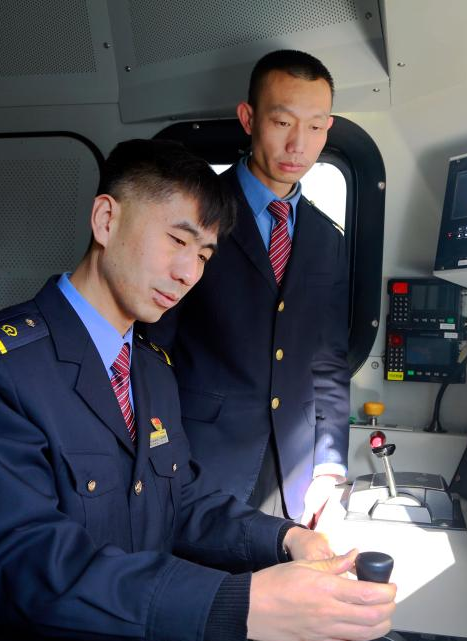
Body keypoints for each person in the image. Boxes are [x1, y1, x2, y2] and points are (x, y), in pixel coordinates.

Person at [0, 139, 395, 641]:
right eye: (177, 240)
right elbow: (23, 563)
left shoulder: (151, 367)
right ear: (106, 220)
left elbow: (178, 499)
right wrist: (242, 604)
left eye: (204, 255)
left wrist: (287, 539)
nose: (189, 273)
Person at [146, 50, 349, 525]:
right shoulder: (194, 216)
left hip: (296, 474)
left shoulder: (328, 238)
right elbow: (152, 347)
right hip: (199, 461)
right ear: (248, 118)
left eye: (315, 127)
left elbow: (327, 360)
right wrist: (162, 451)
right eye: (282, 123)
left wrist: (329, 465)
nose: (298, 144)